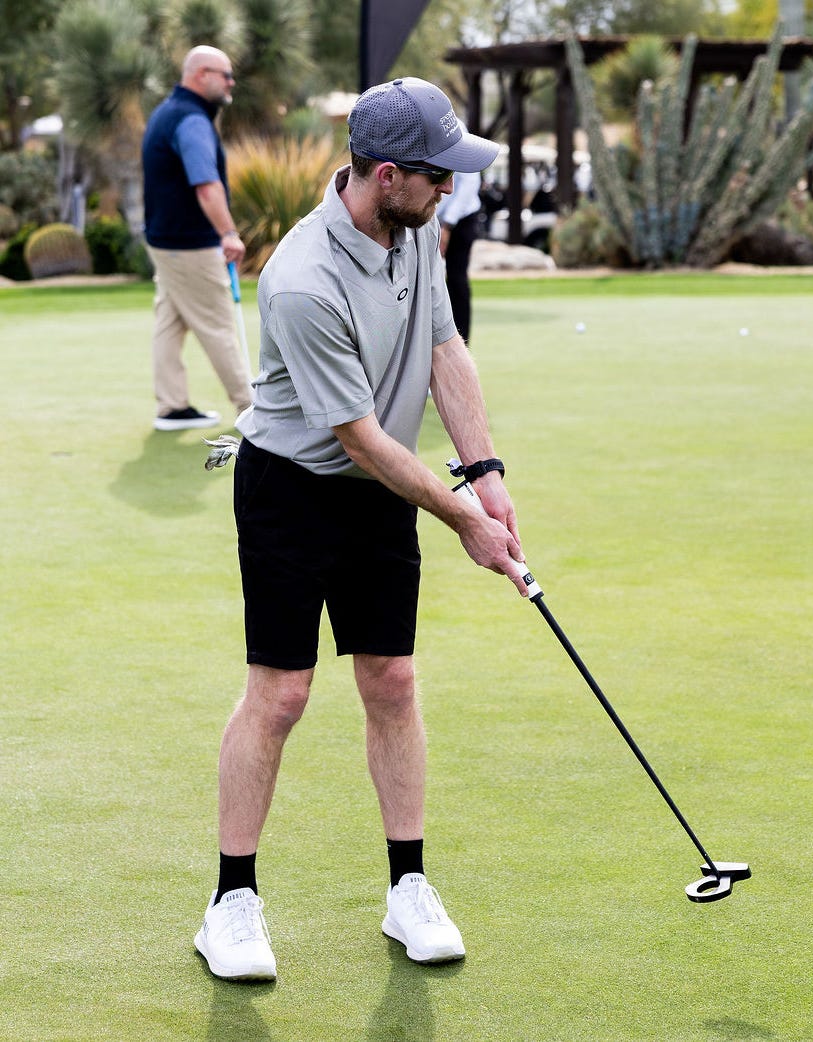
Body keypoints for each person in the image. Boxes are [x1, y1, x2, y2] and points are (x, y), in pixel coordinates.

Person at [193, 76, 529, 982]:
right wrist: (463, 519)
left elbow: (442, 346)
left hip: (384, 485)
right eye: (437, 176)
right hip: (293, 487)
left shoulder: (414, 231)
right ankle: (230, 902)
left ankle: (407, 889)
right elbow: (363, 438)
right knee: (282, 692)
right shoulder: (301, 281)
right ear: (387, 175)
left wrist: (486, 473)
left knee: (392, 678)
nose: (450, 188)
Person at [141, 45, 252, 432]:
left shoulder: (168, 112)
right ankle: (252, 412)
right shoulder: (190, 120)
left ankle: (171, 407)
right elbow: (206, 185)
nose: (230, 82)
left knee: (169, 320)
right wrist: (228, 232)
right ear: (201, 74)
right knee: (218, 324)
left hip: (165, 241)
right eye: (225, 74)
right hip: (189, 244)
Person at [436, 121, 484, 343]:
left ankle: (462, 342)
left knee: (456, 278)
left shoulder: (454, 129)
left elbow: (468, 184)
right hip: (432, 218)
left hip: (462, 219)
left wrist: (447, 225)